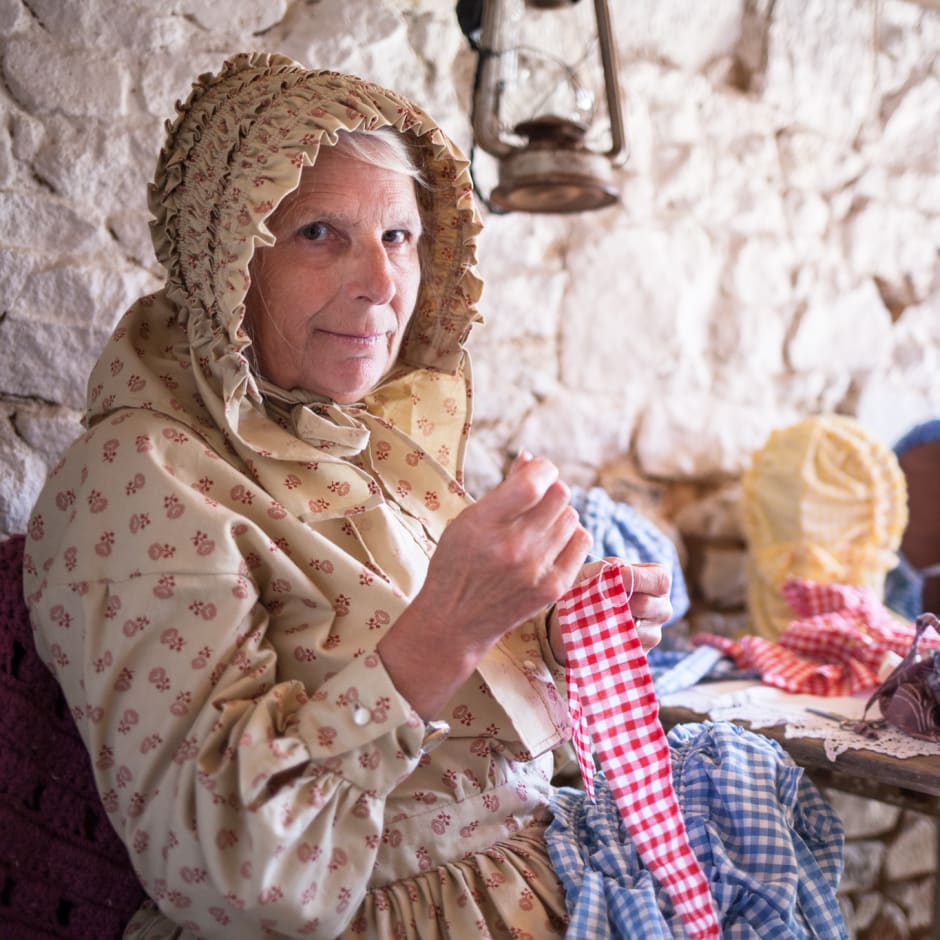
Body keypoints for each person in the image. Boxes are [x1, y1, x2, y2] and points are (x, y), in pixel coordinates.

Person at [21, 52, 670, 938]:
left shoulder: (351, 440)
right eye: (320, 234)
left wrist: (547, 630)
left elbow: (387, 659)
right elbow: (227, 870)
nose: (379, 284)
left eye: (397, 237)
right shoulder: (138, 480)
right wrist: (452, 626)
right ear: (228, 260)